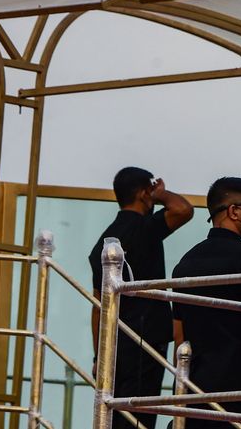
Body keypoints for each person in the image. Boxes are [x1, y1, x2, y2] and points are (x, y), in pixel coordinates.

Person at [172, 177, 241, 426]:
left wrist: (181, 391)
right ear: (233, 211)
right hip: (240, 392)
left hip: (196, 392)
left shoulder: (185, 263)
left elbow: (179, 338)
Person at [89, 167, 194, 429]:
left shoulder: (104, 242)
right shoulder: (145, 228)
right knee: (141, 415)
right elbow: (183, 210)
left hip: (115, 342)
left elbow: (98, 306)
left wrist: (98, 357)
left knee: (116, 412)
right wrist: (161, 195)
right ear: (142, 193)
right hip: (146, 339)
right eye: (150, 190)